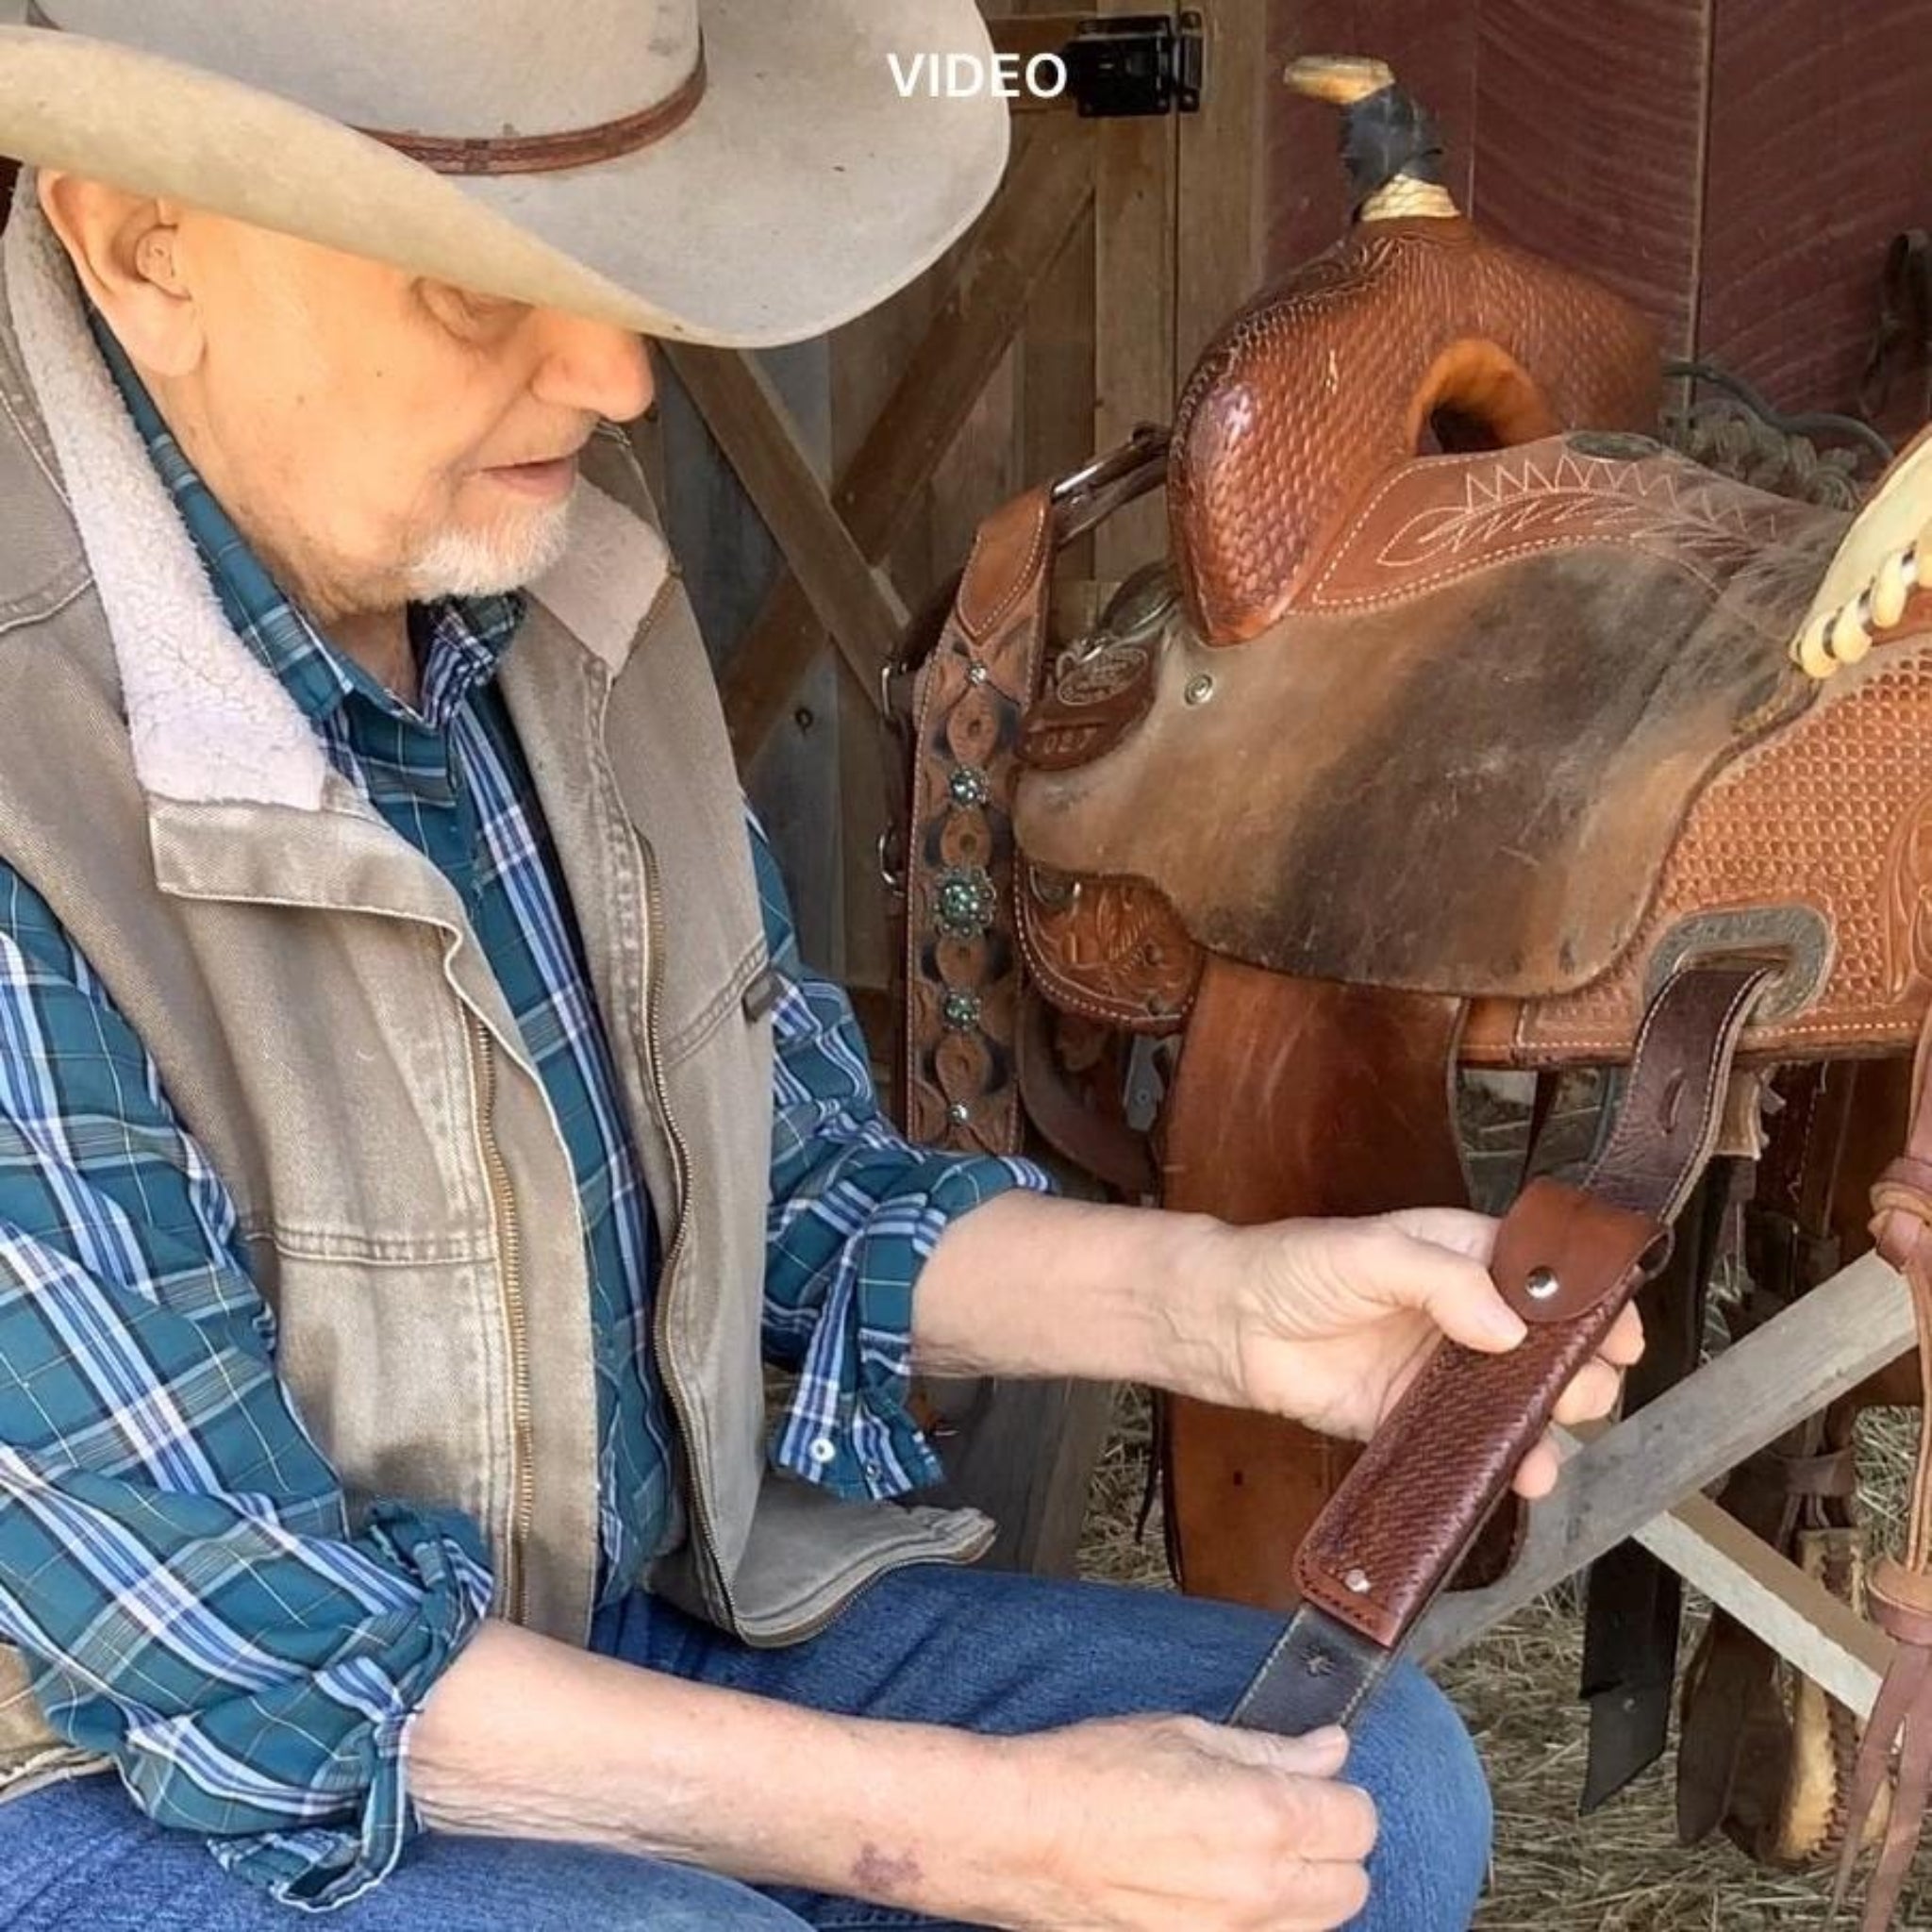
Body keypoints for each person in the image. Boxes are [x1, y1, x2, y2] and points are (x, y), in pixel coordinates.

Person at [0, 6, 1638, 1927]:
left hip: (597, 1615)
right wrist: (965, 1830)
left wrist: (1232, 1306)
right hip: (126, 1773)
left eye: (612, 260)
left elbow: (790, 1193)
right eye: (474, 287)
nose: (615, 371)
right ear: (144, 241)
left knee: (1374, 1789)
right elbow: (262, 1657)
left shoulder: (560, 599)